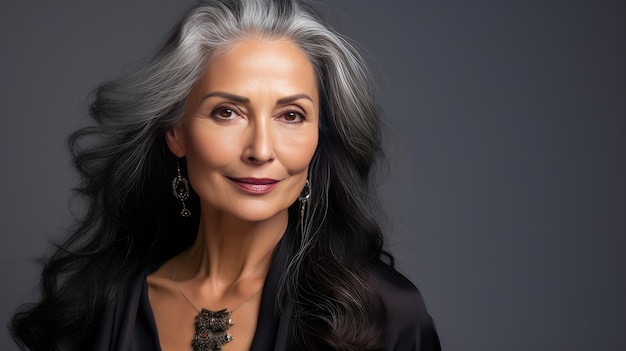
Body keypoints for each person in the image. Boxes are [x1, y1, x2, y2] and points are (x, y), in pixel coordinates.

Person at [10, 0, 441, 350]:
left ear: (319, 138)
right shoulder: (98, 309)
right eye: (227, 112)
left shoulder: (385, 315)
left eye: (291, 115)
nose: (261, 150)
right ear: (176, 132)